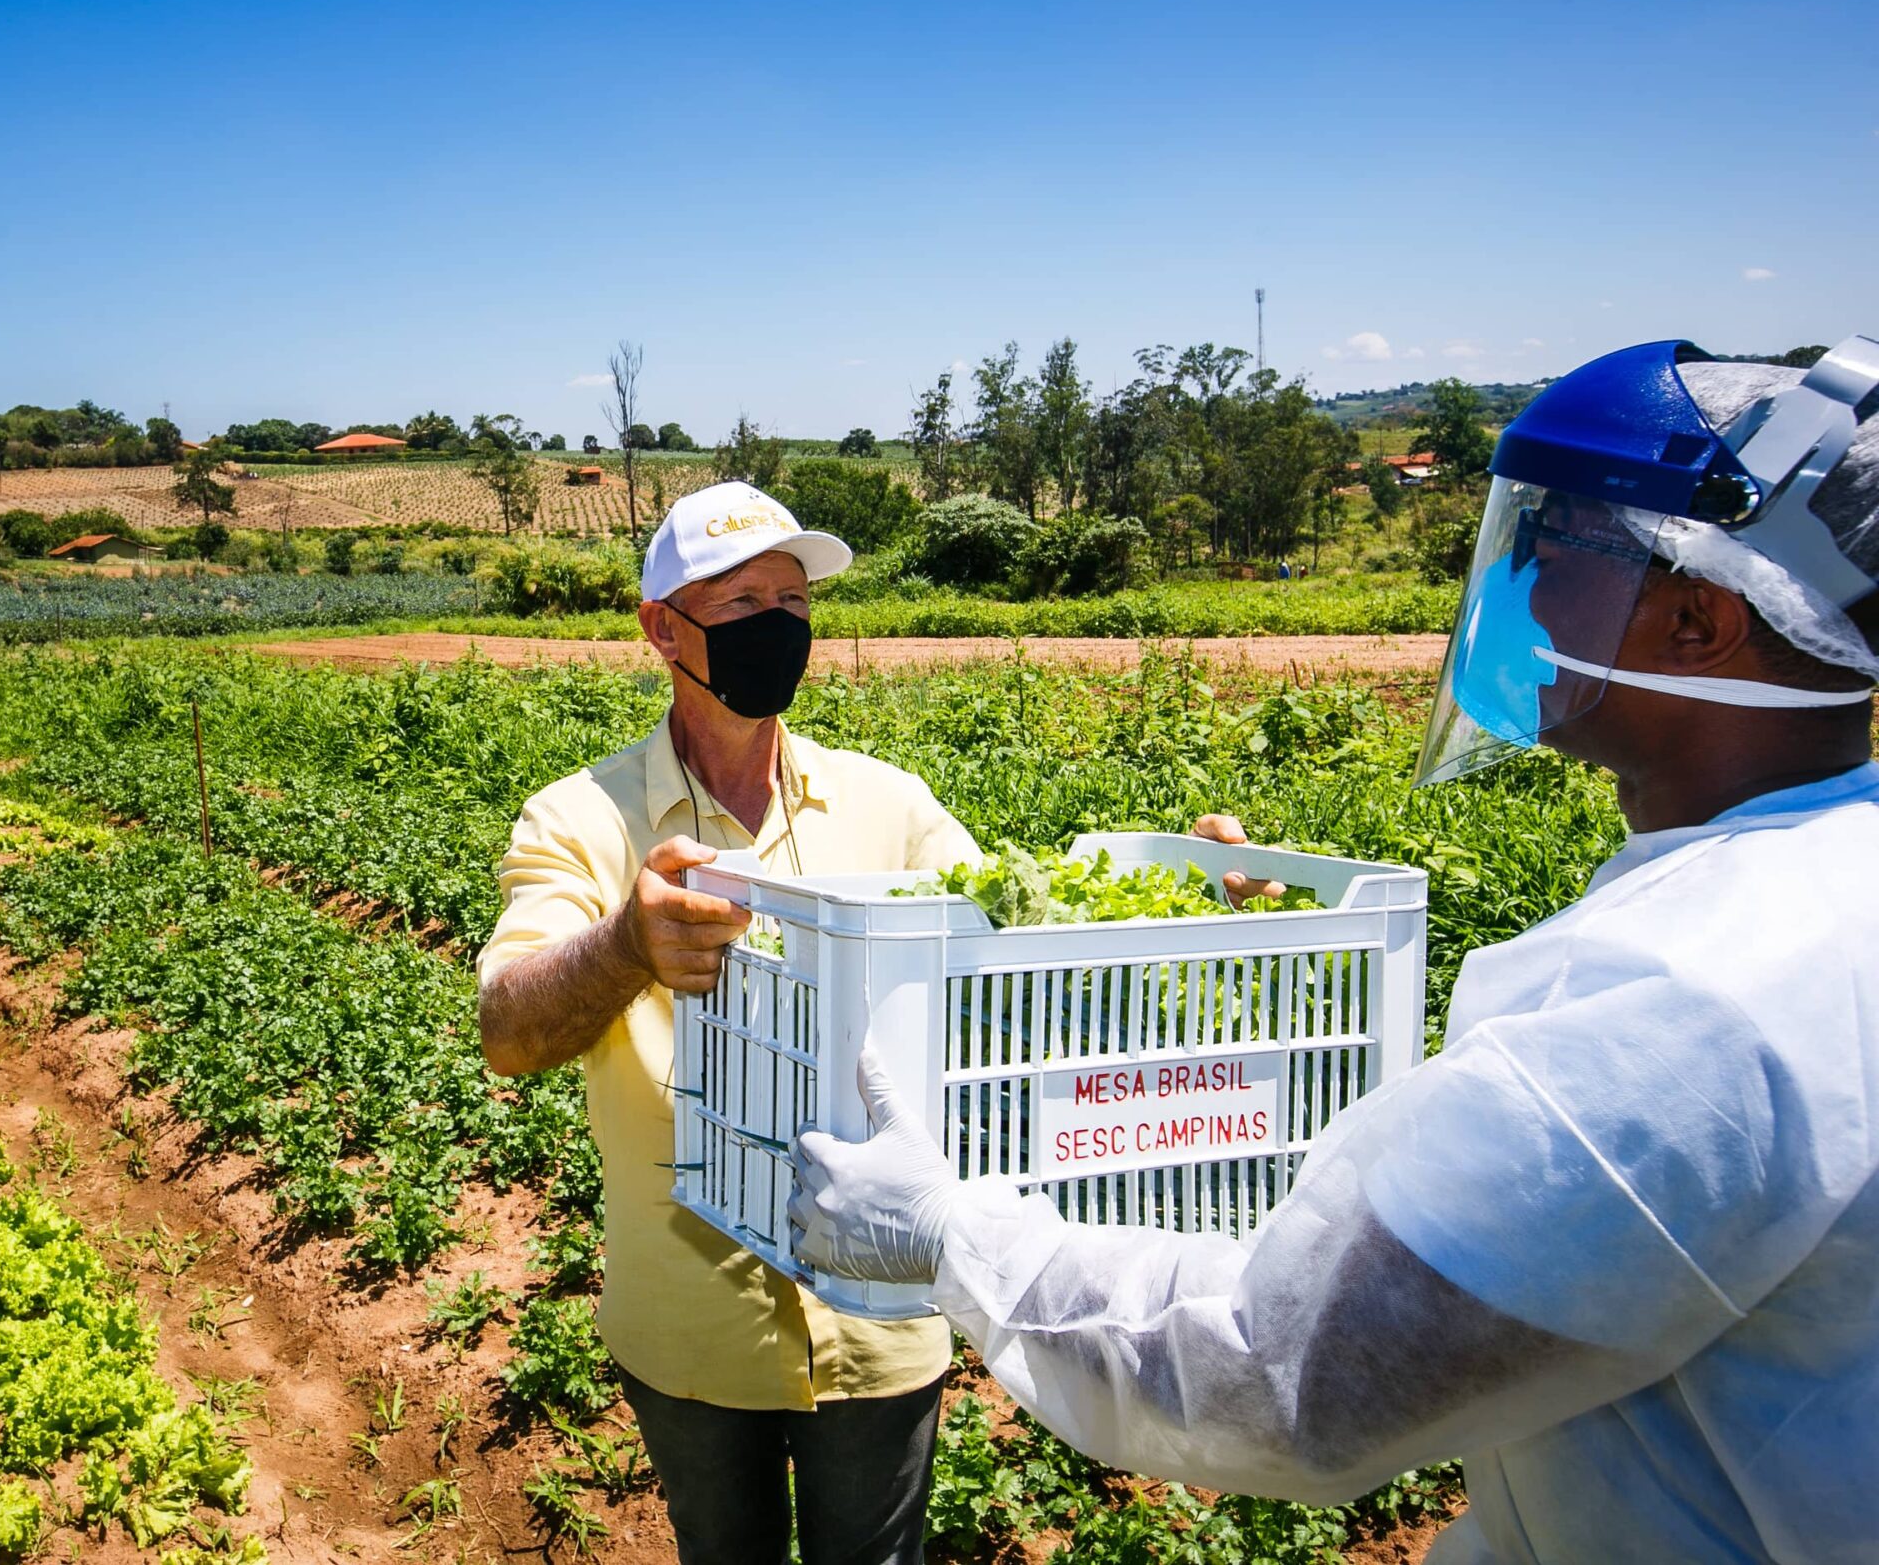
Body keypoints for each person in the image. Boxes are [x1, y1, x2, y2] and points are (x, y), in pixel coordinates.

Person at [790, 338, 1879, 1562]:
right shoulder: (1805, 890)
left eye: (1554, 541)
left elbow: (1285, 1374)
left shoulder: (1686, 993)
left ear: (1699, 617)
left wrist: (951, 1235)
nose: (1512, 581)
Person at [476, 481, 981, 1565]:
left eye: (793, 604)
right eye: (742, 601)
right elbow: (508, 1032)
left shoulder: (890, 805)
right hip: (690, 1325)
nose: (776, 627)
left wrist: (1178, 889)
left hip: (882, 1309)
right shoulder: (581, 819)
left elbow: (1008, 947)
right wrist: (625, 945)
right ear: (664, 629)